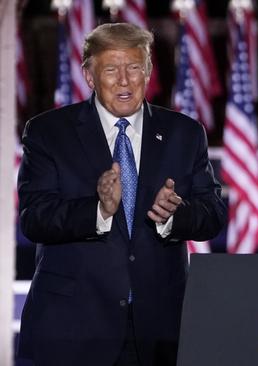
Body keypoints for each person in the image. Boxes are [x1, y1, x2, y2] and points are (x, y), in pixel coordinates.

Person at [17, 23, 227, 366]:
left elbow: (213, 213)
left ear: (148, 71)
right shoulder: (48, 133)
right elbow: (34, 218)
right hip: (73, 327)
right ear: (89, 75)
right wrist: (98, 210)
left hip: (159, 329)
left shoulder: (184, 134)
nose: (125, 81)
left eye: (134, 68)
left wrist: (175, 215)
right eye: (111, 70)